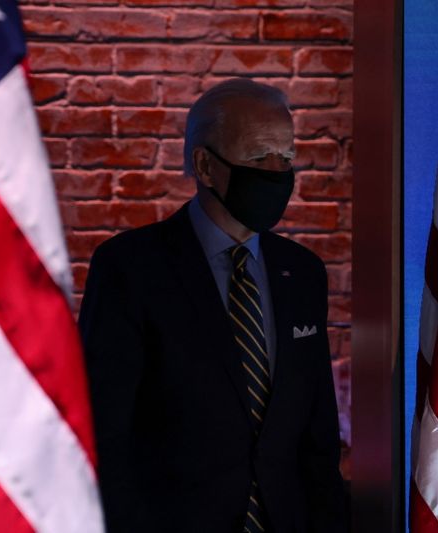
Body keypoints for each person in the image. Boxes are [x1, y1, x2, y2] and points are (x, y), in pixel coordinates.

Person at [79, 78, 348, 533]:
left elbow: (316, 436)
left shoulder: (302, 273)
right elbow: (104, 433)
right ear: (205, 166)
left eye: (286, 157)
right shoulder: (131, 267)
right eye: (260, 156)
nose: (277, 170)